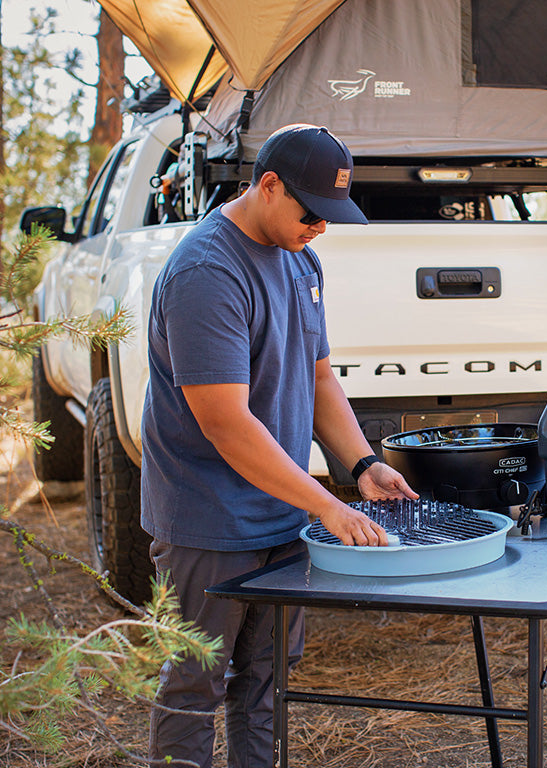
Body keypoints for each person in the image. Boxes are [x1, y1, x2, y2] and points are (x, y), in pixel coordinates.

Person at [140, 123, 417, 768]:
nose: (320, 228)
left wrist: (363, 463)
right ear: (267, 186)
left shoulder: (302, 258)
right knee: (193, 686)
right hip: (207, 519)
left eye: (331, 216)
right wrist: (327, 504)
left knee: (268, 686)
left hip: (280, 513)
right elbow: (227, 423)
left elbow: (319, 377)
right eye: (311, 213)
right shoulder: (208, 272)